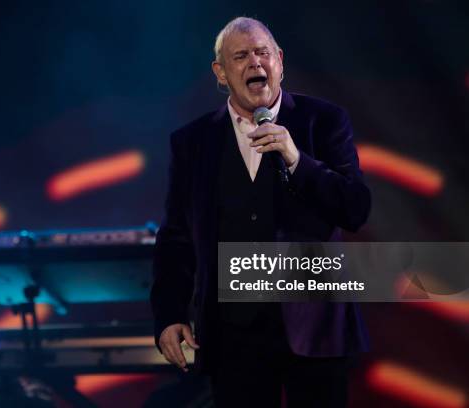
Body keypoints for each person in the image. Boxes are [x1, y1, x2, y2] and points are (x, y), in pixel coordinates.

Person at [150, 16, 371, 407]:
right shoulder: (192, 142)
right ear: (221, 72)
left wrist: (296, 158)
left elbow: (354, 209)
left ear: (280, 61)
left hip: (314, 328)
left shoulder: (323, 121)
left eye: (262, 53)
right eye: (241, 56)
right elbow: (177, 236)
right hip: (232, 333)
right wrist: (169, 313)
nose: (255, 63)